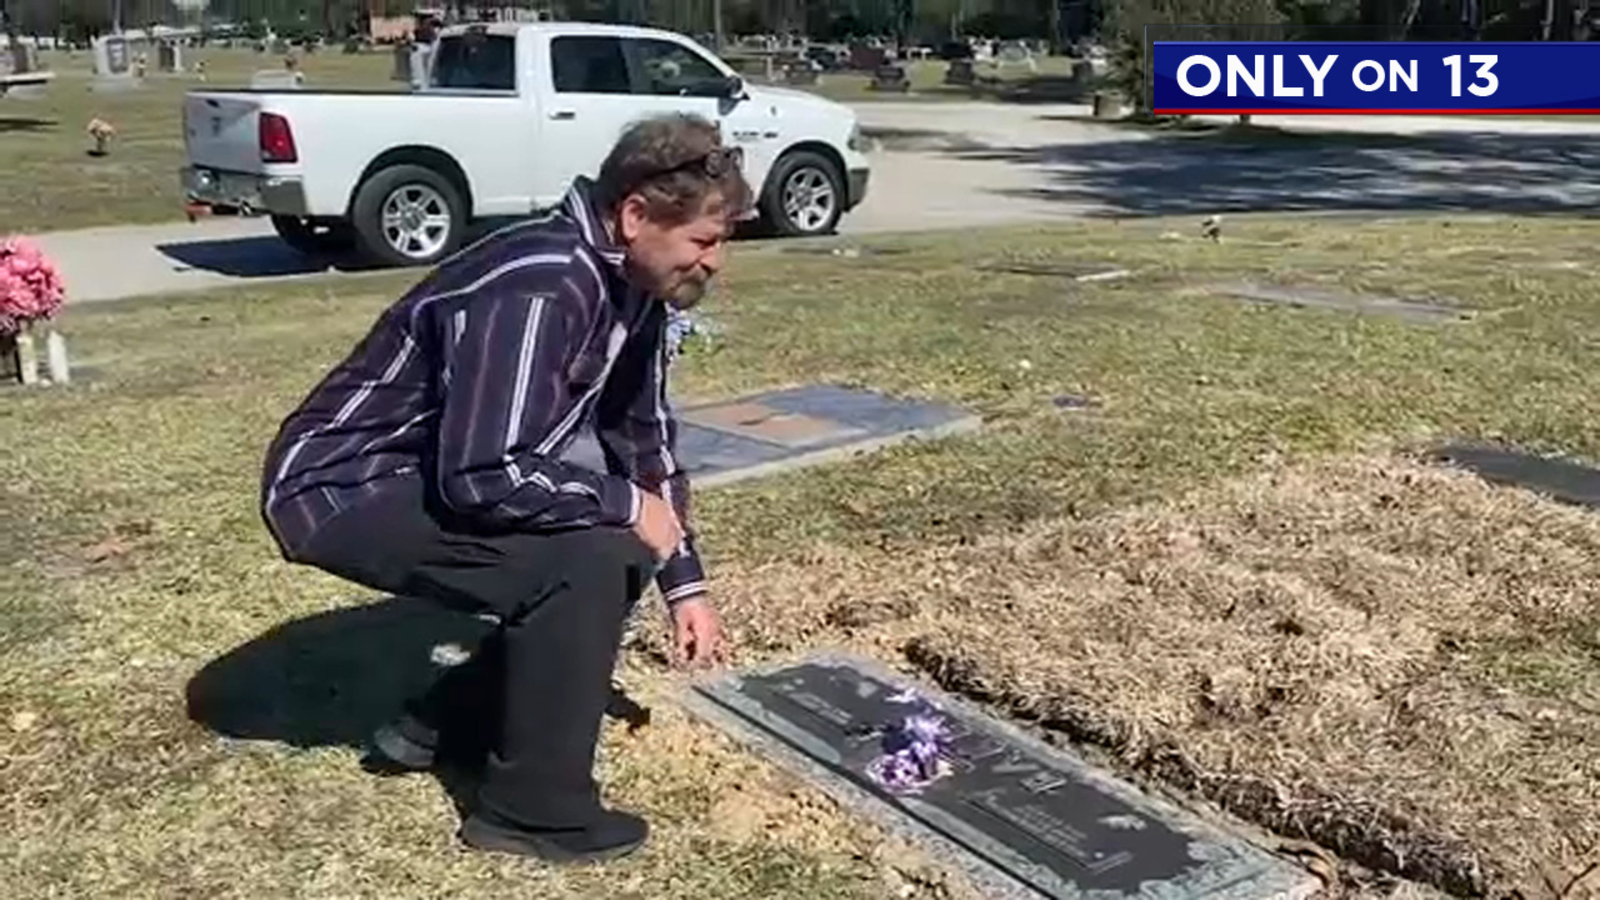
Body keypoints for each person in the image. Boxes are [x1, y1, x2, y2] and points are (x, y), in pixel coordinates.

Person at [258, 113, 747, 863]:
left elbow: (643, 442)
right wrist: (626, 507)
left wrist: (685, 585)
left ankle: (440, 724)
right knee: (590, 558)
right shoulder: (542, 284)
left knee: (610, 543)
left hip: (425, 474)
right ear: (635, 215)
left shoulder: (635, 286)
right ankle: (531, 813)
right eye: (705, 241)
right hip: (342, 485)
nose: (716, 263)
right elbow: (483, 474)